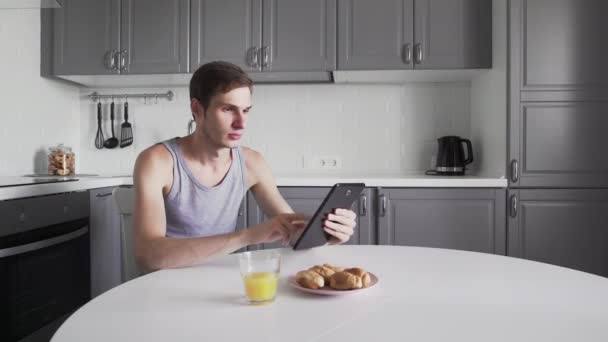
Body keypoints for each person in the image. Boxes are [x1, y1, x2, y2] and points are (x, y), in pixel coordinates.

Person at [133, 61, 358, 271]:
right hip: (165, 286)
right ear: (198, 110)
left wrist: (325, 233)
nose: (241, 123)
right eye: (228, 110)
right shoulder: (157, 162)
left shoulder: (252, 162)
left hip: (220, 280)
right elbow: (149, 255)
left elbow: (292, 230)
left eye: (246, 110)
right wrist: (247, 236)